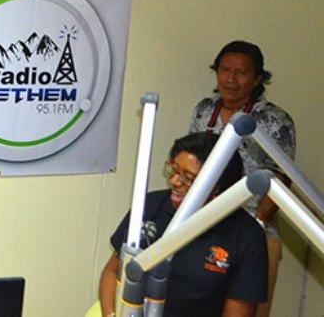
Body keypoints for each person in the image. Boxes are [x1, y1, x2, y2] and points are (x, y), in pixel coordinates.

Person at [99, 132, 267, 317]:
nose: (174, 181)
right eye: (174, 169)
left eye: (187, 178)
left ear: (217, 189)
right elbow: (113, 271)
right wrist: (111, 314)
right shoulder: (150, 206)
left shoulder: (246, 236)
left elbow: (238, 311)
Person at [189, 40, 295, 317]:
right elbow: (190, 164)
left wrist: (258, 224)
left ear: (258, 78)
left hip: (254, 229)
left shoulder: (274, 119)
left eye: (241, 72)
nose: (231, 79)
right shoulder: (203, 110)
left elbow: (281, 179)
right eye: (225, 70)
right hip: (204, 226)